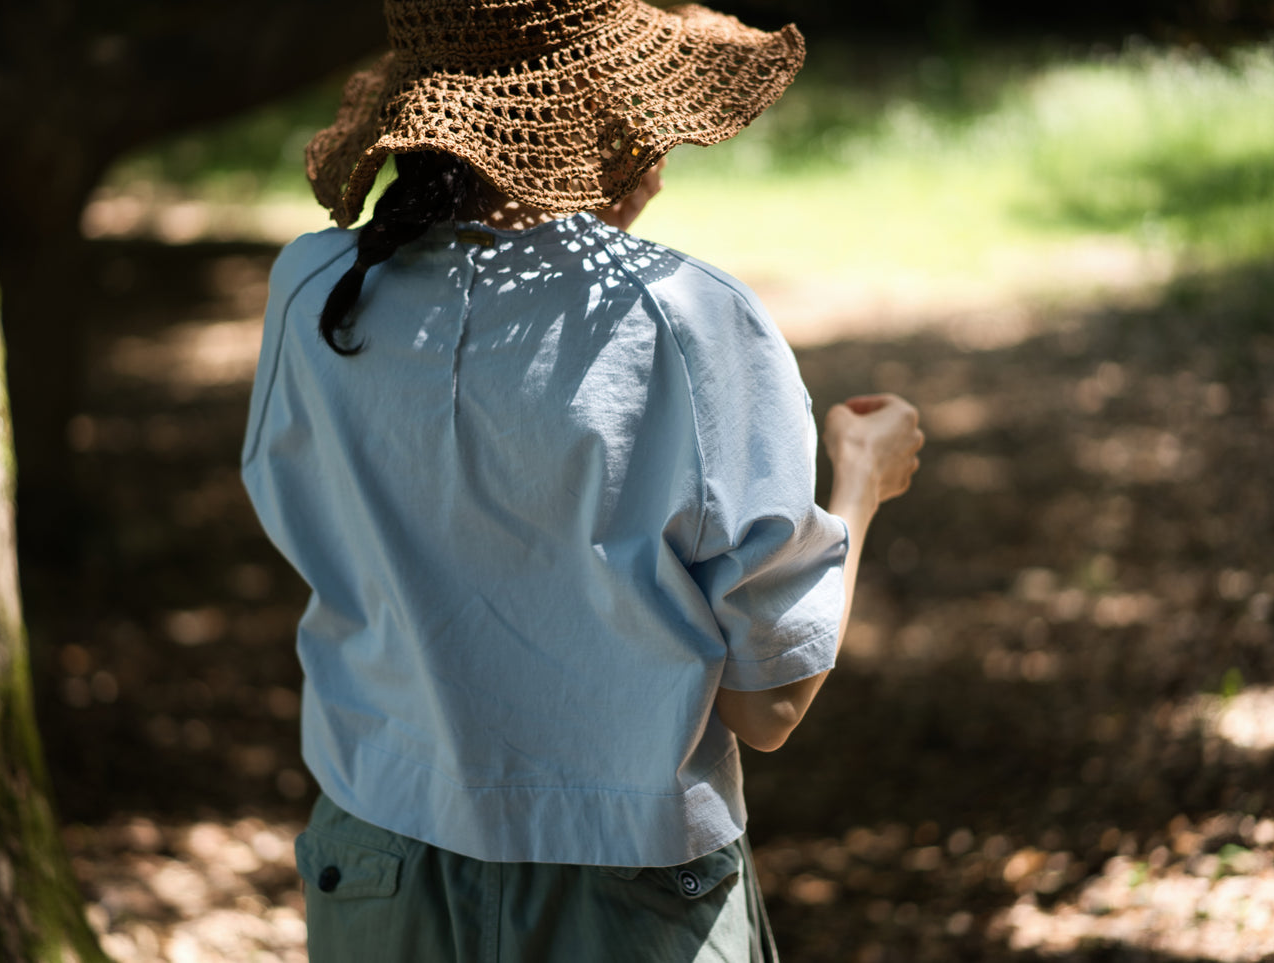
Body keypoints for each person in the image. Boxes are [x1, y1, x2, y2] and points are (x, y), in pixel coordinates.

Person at [241, 1, 925, 960]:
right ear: (606, 110)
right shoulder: (684, 317)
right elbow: (768, 706)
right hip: (626, 891)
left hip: (376, 863)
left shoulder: (313, 290)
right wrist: (857, 484)